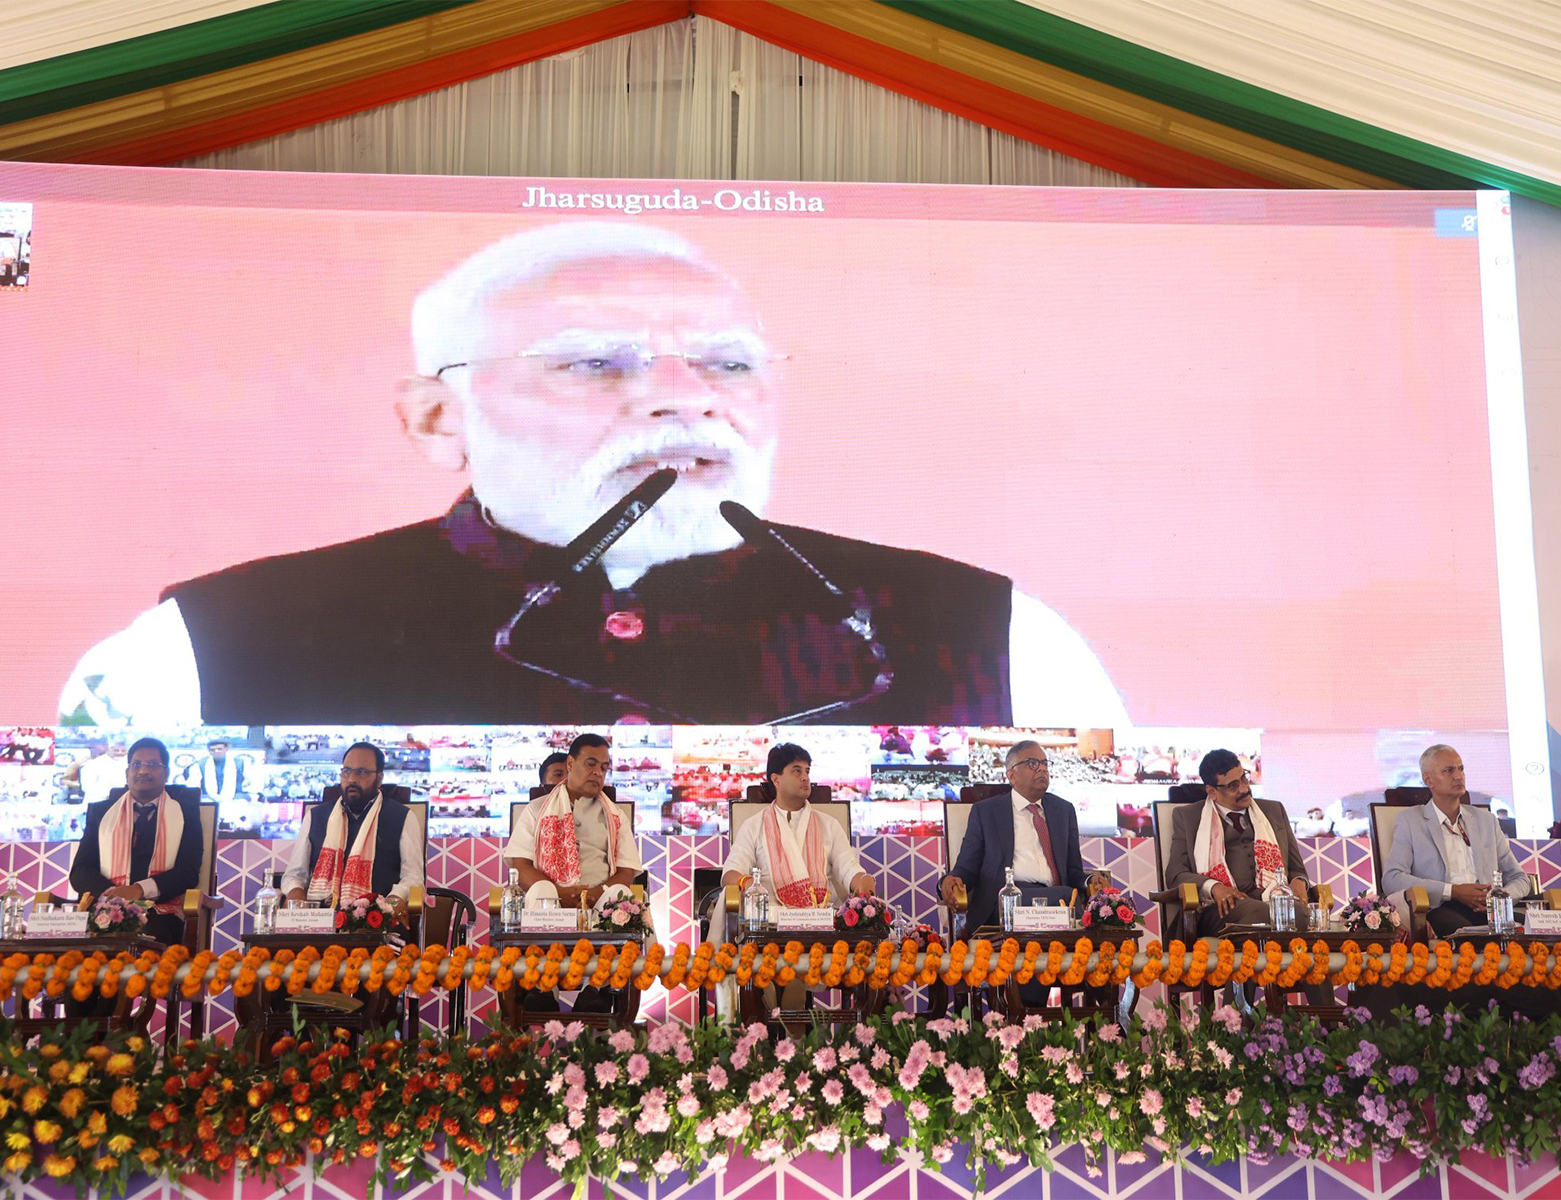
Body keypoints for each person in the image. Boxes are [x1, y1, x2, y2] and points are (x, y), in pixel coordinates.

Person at [59, 222, 1126, 728]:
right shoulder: (210, 647)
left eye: (730, 362)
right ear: (439, 418)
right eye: (591, 361)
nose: (682, 395)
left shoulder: (994, 636)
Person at [507, 732, 642, 1013]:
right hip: (551, 902)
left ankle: (598, 989)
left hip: (597, 902)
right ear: (570, 764)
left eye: (604, 768)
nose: (597, 772)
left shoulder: (616, 816)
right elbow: (519, 865)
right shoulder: (535, 811)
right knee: (541, 891)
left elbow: (627, 870)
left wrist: (595, 894)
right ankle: (543, 987)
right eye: (590, 763)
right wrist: (559, 892)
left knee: (620, 894)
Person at [939, 739, 1091, 933]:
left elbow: (1073, 871)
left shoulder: (1063, 810)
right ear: (1011, 775)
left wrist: (1089, 882)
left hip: (1057, 901)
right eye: (1032, 763)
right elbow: (967, 868)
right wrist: (949, 881)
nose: (1042, 769)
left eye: (1045, 763)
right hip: (1008, 902)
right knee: (1065, 897)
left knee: (1068, 898)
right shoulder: (986, 812)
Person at [1382, 744, 1531, 935]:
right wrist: (1454, 891)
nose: (1458, 776)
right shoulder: (1411, 821)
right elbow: (1392, 878)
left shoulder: (1485, 820)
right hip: (1442, 908)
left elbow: (1520, 879)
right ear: (1428, 780)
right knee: (1467, 934)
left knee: (1537, 930)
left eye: (1461, 769)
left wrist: (1498, 898)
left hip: (1491, 910)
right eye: (1448, 770)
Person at [68, 738, 203, 945]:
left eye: (152, 765)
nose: (143, 771)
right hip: (103, 908)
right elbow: (80, 871)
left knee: (148, 933)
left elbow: (188, 872)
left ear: (166, 773)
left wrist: (139, 890)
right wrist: (113, 897)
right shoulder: (101, 812)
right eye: (137, 764)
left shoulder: (185, 812)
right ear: (127, 773)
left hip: (158, 913)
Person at [1165, 748, 1315, 935]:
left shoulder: (1273, 811)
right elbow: (1175, 874)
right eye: (1233, 786)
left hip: (1272, 898)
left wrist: (1300, 881)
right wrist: (1214, 887)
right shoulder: (1188, 817)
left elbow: (1297, 868)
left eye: (1244, 778)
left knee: (1295, 913)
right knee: (1279, 914)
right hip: (1221, 908)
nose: (1244, 788)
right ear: (1212, 791)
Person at [722, 743, 875, 906]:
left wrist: (863, 880)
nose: (805, 777)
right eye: (797, 771)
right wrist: (751, 885)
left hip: (822, 919)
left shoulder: (829, 825)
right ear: (776, 779)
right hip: (770, 919)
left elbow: (849, 867)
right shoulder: (753, 826)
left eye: (807, 771)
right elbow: (730, 874)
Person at [280, 742, 425, 909]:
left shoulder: (401, 817)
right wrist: (295, 897)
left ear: (379, 778)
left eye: (362, 772)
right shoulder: (316, 817)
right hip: (318, 921)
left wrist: (391, 903)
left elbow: (413, 877)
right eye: (347, 771)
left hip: (376, 924)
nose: (352, 779)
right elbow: (294, 875)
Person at [62, 739, 129, 804]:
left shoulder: (129, 764)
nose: (120, 753)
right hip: (98, 803)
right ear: (108, 749)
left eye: (123, 751)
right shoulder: (93, 764)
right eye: (116, 750)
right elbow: (87, 787)